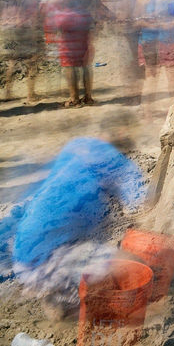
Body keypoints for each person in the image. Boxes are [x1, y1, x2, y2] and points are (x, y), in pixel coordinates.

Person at [0, 136, 145, 318]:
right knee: (133, 263)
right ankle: (67, 303)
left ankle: (60, 294)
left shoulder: (66, 167)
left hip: (23, 264)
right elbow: (138, 202)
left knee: (87, 257)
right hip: (50, 262)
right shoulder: (95, 182)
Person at [51, 0, 100, 107]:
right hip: (84, 21)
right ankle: (88, 96)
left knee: (69, 62)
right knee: (85, 61)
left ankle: (74, 98)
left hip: (68, 22)